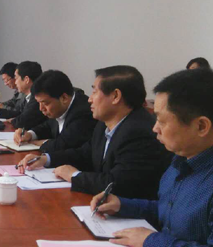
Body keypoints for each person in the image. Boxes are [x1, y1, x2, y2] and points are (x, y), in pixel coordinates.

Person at [91, 69, 213, 247]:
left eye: (162, 121)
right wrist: (123, 205)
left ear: (201, 126)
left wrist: (151, 241)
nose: (155, 128)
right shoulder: (180, 161)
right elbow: (172, 212)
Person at [19, 65, 171, 199]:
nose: (90, 99)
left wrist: (74, 176)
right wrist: (46, 159)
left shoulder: (138, 131)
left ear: (115, 96)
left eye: (95, 92)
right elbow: (85, 153)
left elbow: (118, 184)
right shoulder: (104, 124)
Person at [13, 70, 97, 153]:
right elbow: (48, 126)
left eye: (45, 103)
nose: (41, 108)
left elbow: (63, 145)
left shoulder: (83, 113)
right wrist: (30, 134)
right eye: (38, 103)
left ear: (64, 98)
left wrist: (37, 143)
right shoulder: (59, 108)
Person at [0, 61, 47, 130]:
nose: (15, 82)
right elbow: (19, 113)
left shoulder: (37, 99)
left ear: (26, 80)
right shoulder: (29, 96)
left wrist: (13, 120)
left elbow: (22, 120)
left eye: (16, 78)